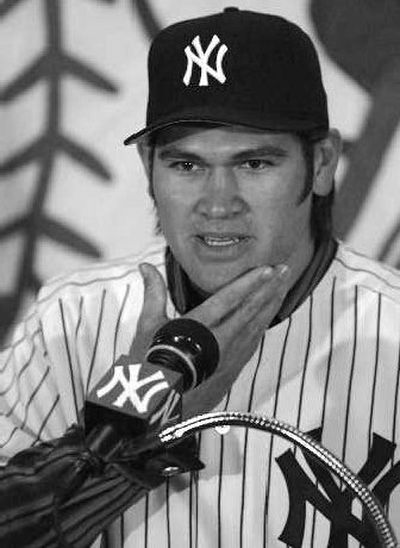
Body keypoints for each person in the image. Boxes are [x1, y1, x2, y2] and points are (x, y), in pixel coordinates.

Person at [1, 7, 400, 547]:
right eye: (186, 165)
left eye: (254, 163)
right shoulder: (69, 320)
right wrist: (139, 404)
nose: (218, 204)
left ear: (323, 162)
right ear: (148, 167)